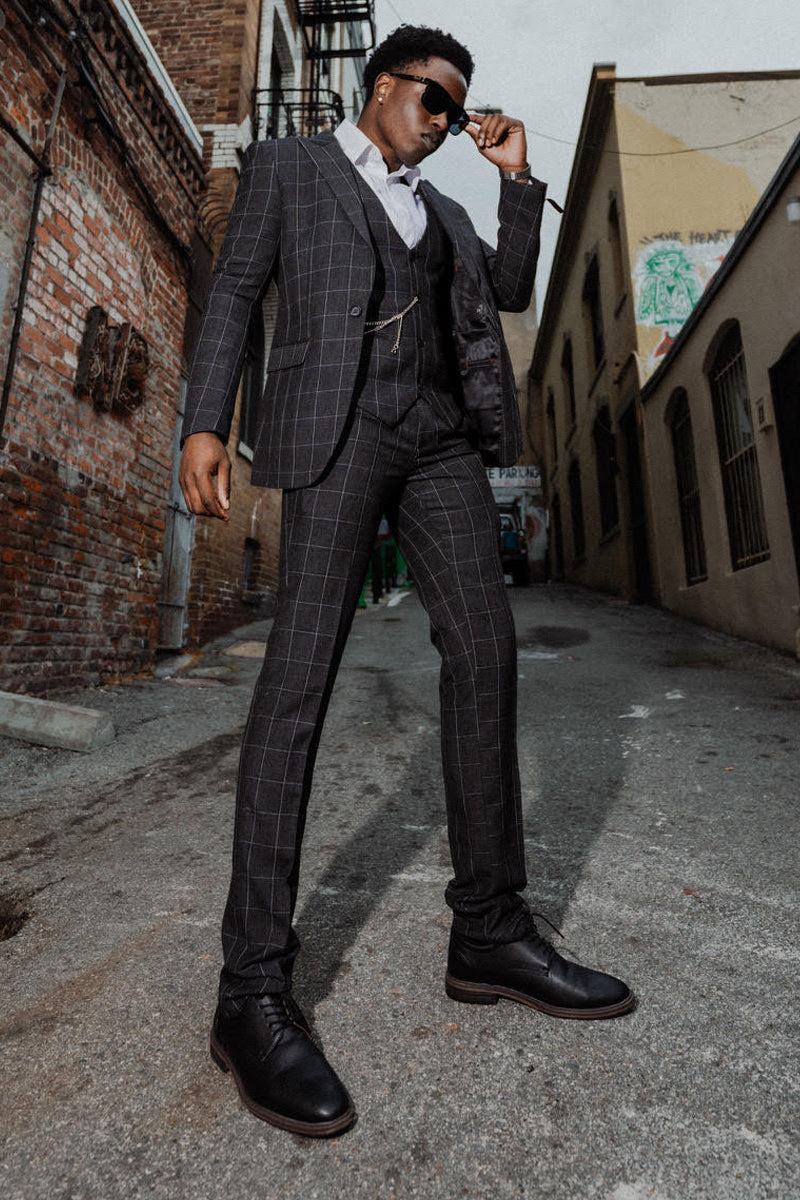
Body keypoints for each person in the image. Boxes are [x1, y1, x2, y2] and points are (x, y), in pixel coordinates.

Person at [179, 25, 634, 1138]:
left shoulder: (446, 217)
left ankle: (488, 932)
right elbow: (234, 293)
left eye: (457, 110)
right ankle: (251, 993)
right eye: (433, 101)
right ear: (382, 85)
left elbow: (514, 288)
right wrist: (205, 421)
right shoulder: (288, 167)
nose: (443, 123)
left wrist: (514, 178)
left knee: (485, 650)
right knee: (295, 688)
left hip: (436, 444)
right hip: (333, 436)